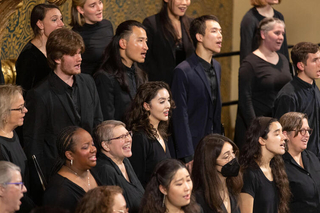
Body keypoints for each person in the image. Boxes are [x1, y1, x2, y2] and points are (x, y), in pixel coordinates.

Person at [23, 28, 103, 204]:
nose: (79, 58)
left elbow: (98, 122)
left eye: (80, 53)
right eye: (73, 54)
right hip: (59, 179)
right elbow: (34, 145)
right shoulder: (39, 95)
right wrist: (44, 185)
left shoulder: (88, 82)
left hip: (91, 171)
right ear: (57, 58)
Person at [171, 15, 223, 168]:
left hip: (213, 145)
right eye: (214, 31)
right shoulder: (182, 71)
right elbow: (180, 115)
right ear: (199, 36)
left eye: (220, 31)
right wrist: (188, 155)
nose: (220, 35)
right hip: (193, 148)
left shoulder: (217, 66)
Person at [234, 17, 292, 150]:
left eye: (282, 33)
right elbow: (245, 100)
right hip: (260, 130)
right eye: (277, 33)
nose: (281, 37)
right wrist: (258, 131)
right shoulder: (250, 64)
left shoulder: (283, 59)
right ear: (263, 34)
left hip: (279, 127)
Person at [273, 42, 320, 159]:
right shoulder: (288, 95)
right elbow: (285, 136)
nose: (319, 64)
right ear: (301, 66)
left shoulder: (314, 86)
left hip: (315, 157)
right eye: (314, 60)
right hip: (300, 160)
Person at [94, 20, 148, 121]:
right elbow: (107, 121)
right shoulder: (105, 77)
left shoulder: (141, 75)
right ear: (123, 43)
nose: (146, 47)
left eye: (146, 41)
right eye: (140, 41)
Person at [126, 81, 174, 187]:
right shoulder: (139, 137)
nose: (168, 106)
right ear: (147, 106)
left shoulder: (161, 132)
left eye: (168, 100)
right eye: (162, 102)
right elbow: (136, 179)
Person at [239, 117, 290, 213]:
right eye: (277, 134)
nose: (284, 137)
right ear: (262, 140)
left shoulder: (276, 168)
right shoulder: (249, 174)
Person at [43, 126, 100, 213]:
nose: (94, 149)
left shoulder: (93, 170)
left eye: (92, 144)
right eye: (85, 147)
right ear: (69, 155)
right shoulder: (59, 192)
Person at [92, 120, 144, 213]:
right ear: (106, 145)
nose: (128, 139)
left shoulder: (125, 161)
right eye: (121, 137)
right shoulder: (105, 170)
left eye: (128, 134)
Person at [140, 0, 194, 84]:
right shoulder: (152, 24)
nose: (185, 2)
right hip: (161, 87)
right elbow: (144, 63)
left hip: (187, 86)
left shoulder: (192, 24)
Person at [16, 4, 64, 92]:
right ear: (40, 24)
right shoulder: (28, 56)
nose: (61, 24)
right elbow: (24, 93)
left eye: (61, 19)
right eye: (54, 20)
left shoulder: (58, 49)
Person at [279, 112, 320, 213]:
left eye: (308, 131)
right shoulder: (279, 164)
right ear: (286, 134)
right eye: (302, 131)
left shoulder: (312, 157)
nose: (307, 135)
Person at [192, 134, 242, 213]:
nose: (233, 158)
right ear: (210, 164)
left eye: (233, 153)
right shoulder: (199, 198)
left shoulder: (232, 187)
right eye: (226, 157)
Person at [70, 0, 113, 75]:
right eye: (93, 5)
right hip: (91, 82)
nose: (99, 8)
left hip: (112, 79)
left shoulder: (107, 25)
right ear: (81, 9)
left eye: (100, 2)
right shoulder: (75, 35)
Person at [0, 85, 27, 178]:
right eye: (20, 108)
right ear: (4, 113)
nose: (25, 110)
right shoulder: (1, 146)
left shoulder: (12, 133)